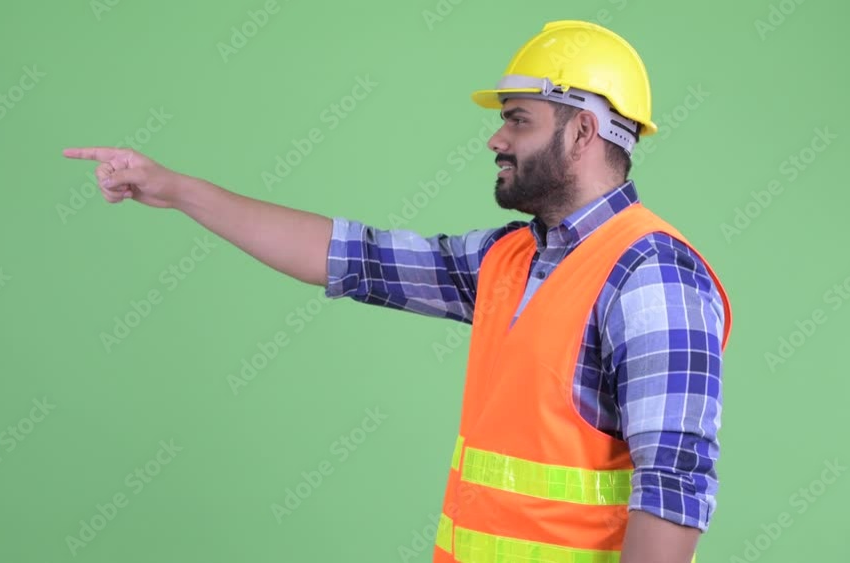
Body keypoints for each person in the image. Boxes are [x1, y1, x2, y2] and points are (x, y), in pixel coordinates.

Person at [64, 19, 731, 563]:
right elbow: (353, 256)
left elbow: (672, 491)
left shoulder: (651, 274)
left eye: (518, 119)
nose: (496, 137)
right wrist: (174, 189)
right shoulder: (509, 259)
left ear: (583, 130)